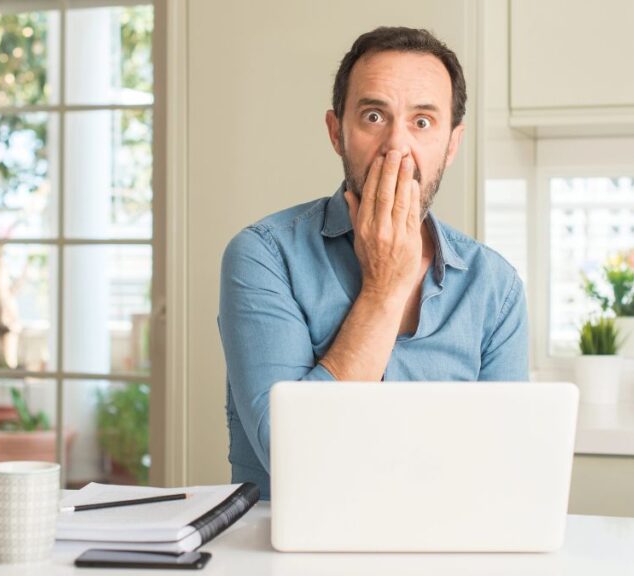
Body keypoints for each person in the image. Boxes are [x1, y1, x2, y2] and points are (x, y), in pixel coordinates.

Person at [218, 27, 528, 499]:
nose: (396, 147)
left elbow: (505, 473)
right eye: (373, 115)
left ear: (452, 143)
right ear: (336, 132)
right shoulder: (263, 256)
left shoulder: (497, 288)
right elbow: (292, 457)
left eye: (422, 122)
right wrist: (384, 289)